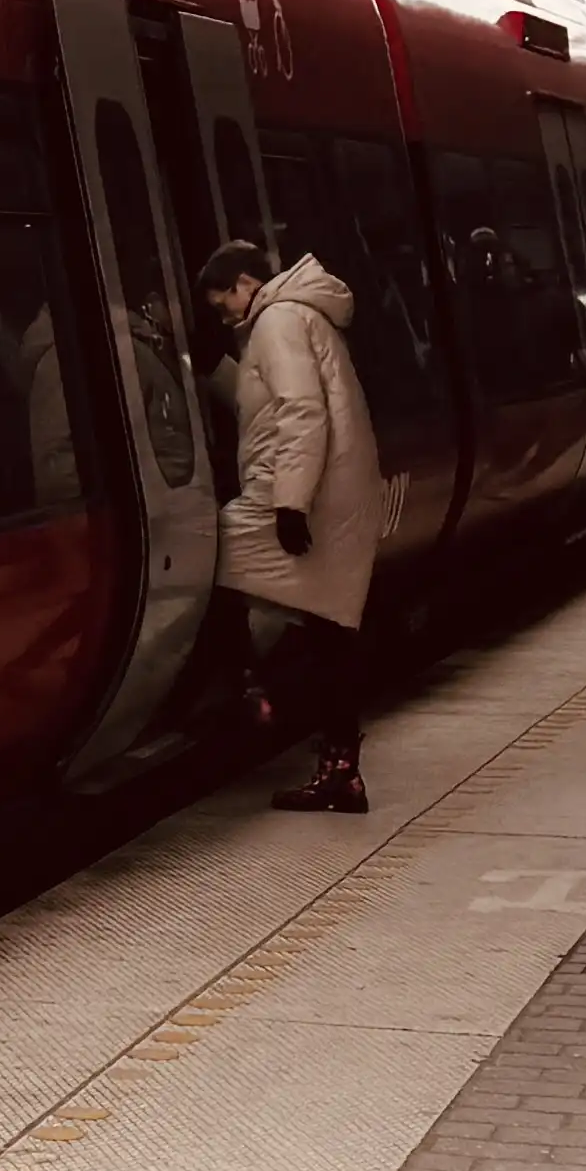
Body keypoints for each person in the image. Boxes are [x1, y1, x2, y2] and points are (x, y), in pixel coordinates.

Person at [201, 238, 385, 815]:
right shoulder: (298, 314)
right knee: (325, 630)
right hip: (329, 493)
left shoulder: (277, 320)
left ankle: (252, 697)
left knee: (209, 559)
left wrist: (290, 505)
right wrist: (210, 367)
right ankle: (337, 768)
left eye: (222, 302)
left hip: (312, 498)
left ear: (244, 284)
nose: (224, 313)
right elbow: (267, 399)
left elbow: (301, 410)